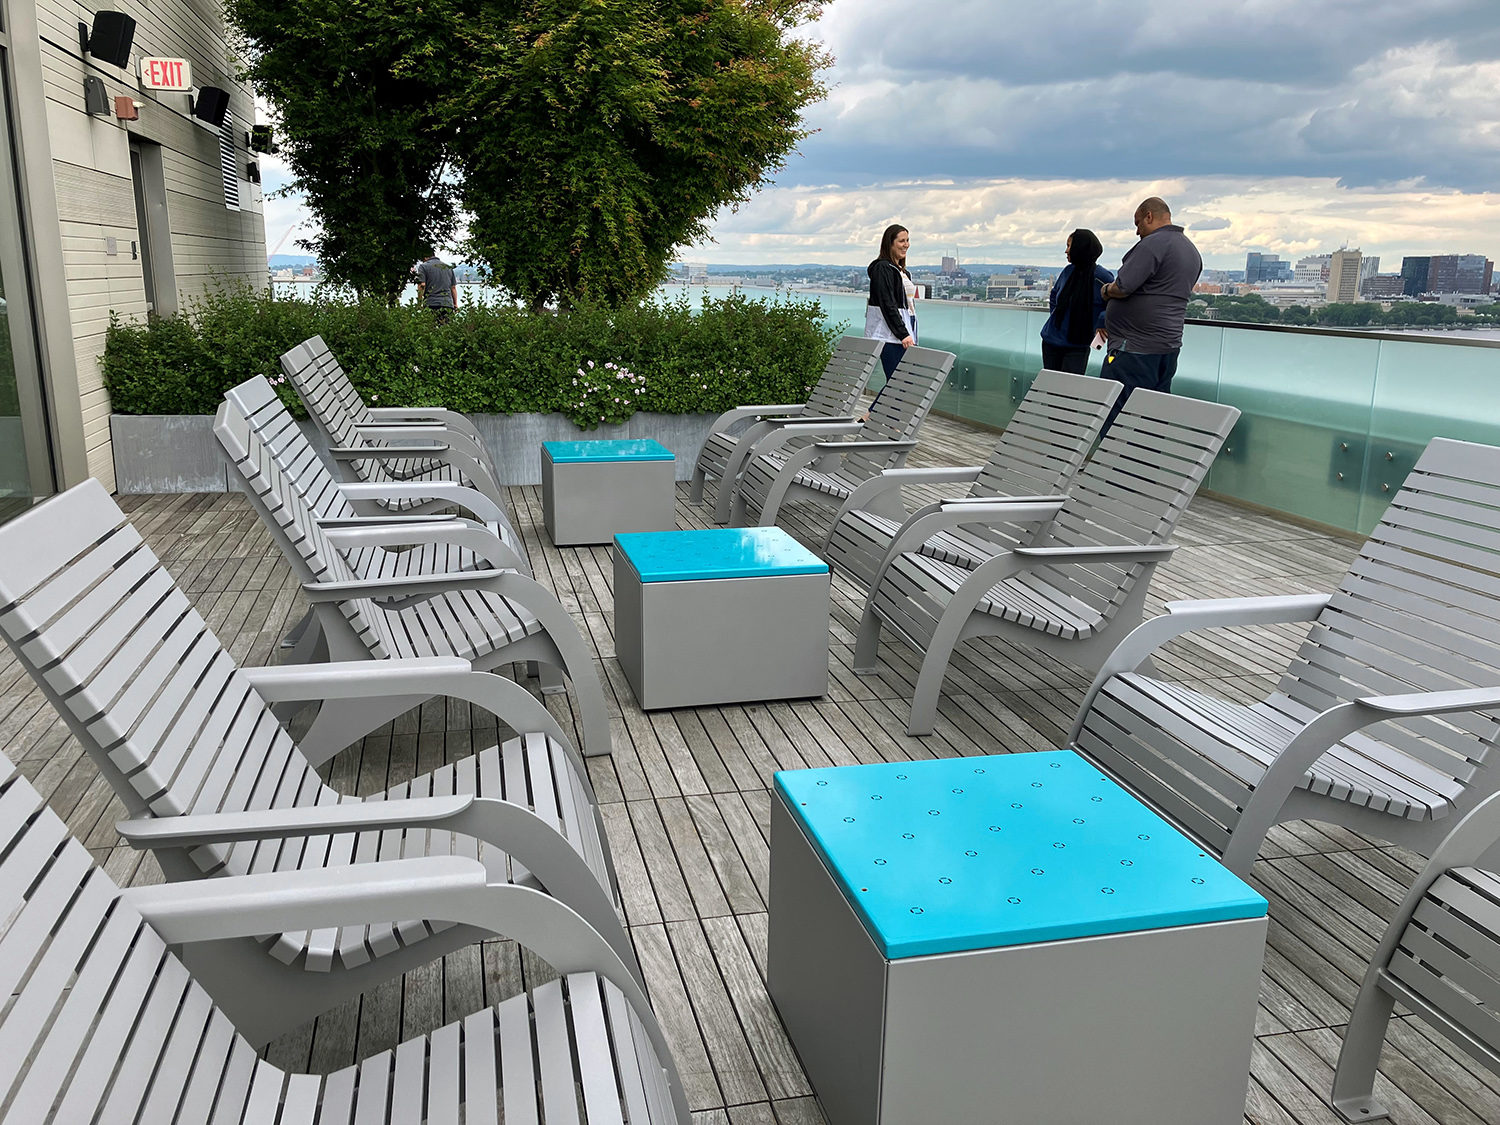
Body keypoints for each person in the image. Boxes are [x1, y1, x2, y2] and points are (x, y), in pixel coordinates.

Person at [1098, 197, 1201, 427]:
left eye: (1138, 224)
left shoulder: (1152, 244)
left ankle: (1119, 452)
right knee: (1153, 413)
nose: (1137, 232)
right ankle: (1146, 451)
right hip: (1167, 347)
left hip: (1133, 348)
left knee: (1118, 413)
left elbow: (1123, 286)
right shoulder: (1190, 250)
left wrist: (1105, 290)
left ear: (1149, 216)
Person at [1039, 229, 1112, 375]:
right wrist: (1056, 318)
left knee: (1069, 385)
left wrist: (1101, 320)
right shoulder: (1068, 271)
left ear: (1080, 247)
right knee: (1050, 383)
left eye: (1069, 246)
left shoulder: (1101, 277)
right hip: (1051, 340)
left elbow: (1114, 304)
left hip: (1078, 344)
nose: (1066, 251)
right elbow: (1054, 295)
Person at [865, 224, 918, 380]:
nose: (906, 245)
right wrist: (903, 334)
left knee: (902, 383)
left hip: (905, 329)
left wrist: (908, 332)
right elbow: (887, 304)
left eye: (907, 240)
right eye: (901, 241)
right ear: (890, 243)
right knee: (899, 383)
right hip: (890, 334)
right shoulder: (883, 268)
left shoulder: (902, 271)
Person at [415, 245, 461, 323]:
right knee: (446, 328)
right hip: (447, 304)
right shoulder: (448, 267)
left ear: (425, 257)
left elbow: (422, 285)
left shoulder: (423, 266)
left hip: (431, 304)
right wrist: (455, 304)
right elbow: (453, 288)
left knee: (430, 328)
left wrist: (419, 303)